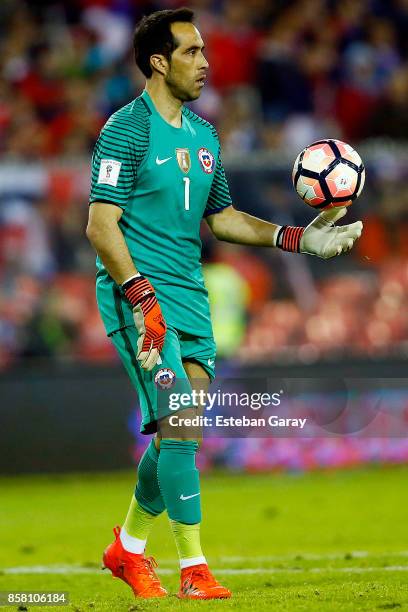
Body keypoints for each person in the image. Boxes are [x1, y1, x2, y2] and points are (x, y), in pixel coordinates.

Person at [86, 8, 363, 600]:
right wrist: (137, 292)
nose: (206, 63)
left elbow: (224, 219)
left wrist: (298, 238)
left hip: (190, 294)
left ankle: (128, 549)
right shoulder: (126, 130)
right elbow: (100, 225)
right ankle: (194, 570)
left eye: (205, 51)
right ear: (158, 62)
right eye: (191, 52)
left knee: (177, 433)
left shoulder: (204, 135)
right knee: (181, 426)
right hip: (140, 295)